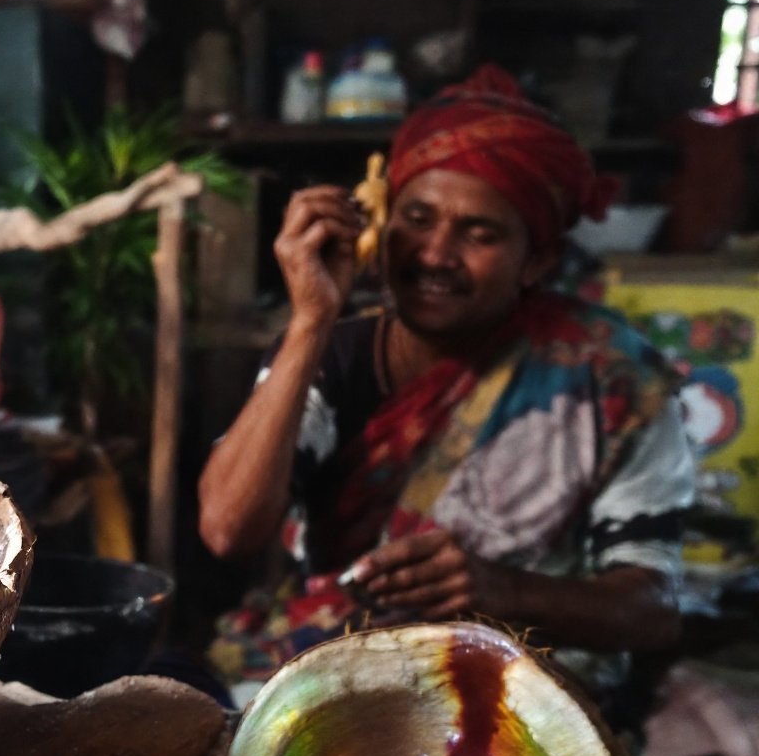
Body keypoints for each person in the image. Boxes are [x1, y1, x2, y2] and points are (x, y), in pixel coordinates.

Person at [199, 65, 695, 703]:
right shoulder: (333, 355)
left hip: (526, 695)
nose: (434, 254)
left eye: (479, 233)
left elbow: (652, 610)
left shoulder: (610, 378)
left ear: (537, 260)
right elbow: (227, 529)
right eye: (417, 218)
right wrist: (311, 319)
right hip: (340, 665)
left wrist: (498, 591)